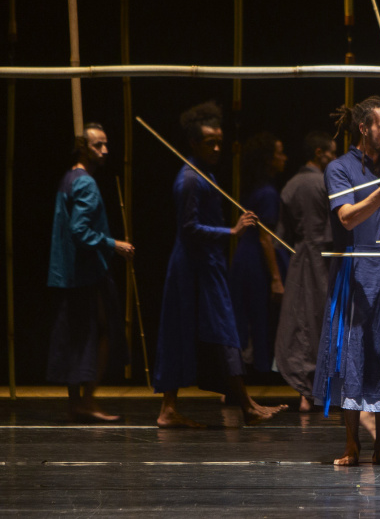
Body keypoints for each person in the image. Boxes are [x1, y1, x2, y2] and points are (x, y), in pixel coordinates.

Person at [154, 101, 286, 428]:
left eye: (219, 142)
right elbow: (188, 228)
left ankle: (240, 405)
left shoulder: (204, 174)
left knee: (218, 331)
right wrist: (232, 231)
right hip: (191, 267)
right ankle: (243, 406)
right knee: (213, 331)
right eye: (209, 142)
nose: (216, 148)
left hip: (206, 264)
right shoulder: (189, 179)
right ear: (193, 143)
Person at [313, 95, 380, 466]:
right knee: (352, 353)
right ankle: (351, 444)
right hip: (354, 272)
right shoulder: (339, 169)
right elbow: (347, 218)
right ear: (364, 128)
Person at [47, 123, 134, 422]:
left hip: (70, 273)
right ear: (83, 148)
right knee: (102, 332)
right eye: (98, 145)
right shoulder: (85, 183)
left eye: (106, 144)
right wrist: (114, 244)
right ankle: (86, 400)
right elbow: (79, 230)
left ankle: (78, 403)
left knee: (78, 335)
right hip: (86, 273)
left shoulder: (69, 178)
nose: (105, 150)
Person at [274, 131, 337, 413]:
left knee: (300, 319)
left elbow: (283, 233)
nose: (334, 158)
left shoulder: (290, 184)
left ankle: (304, 391)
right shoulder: (324, 183)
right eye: (331, 152)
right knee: (320, 318)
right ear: (319, 153)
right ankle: (316, 389)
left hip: (299, 258)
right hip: (323, 259)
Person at [229, 132, 289, 375]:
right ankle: (253, 372)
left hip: (245, 257)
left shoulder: (257, 189)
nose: (284, 158)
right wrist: (276, 278)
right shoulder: (267, 193)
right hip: (255, 261)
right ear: (268, 159)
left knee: (246, 316)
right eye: (279, 153)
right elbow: (266, 238)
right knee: (256, 316)